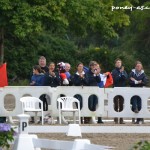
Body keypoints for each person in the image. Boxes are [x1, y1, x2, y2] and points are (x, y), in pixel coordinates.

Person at [111, 58, 128, 124]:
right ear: (115, 64)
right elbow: (114, 80)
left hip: (122, 89)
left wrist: (122, 73)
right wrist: (119, 74)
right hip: (115, 89)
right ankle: (115, 118)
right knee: (116, 104)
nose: (119, 63)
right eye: (117, 62)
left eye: (120, 62)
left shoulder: (124, 71)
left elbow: (125, 78)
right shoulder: (113, 71)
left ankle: (121, 119)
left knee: (121, 104)